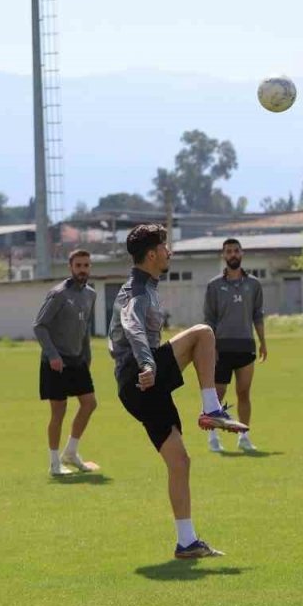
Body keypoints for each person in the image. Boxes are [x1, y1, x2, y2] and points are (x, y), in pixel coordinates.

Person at [108, 223, 248, 559]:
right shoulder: (137, 290)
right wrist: (146, 363)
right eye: (166, 247)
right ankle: (211, 408)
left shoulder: (146, 286)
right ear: (153, 254)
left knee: (180, 462)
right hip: (140, 377)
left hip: (139, 385)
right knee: (204, 333)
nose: (170, 252)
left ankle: (186, 543)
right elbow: (132, 326)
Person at [33, 249, 100, 476]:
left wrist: (87, 356)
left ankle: (70, 453)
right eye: (79, 265)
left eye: (86, 265)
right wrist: (52, 355)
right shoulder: (59, 294)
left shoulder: (91, 294)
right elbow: (39, 326)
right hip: (56, 362)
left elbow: (85, 329)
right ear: (70, 268)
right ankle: (54, 463)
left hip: (78, 360)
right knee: (58, 412)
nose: (83, 269)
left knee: (89, 403)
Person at [202, 238, 266, 453]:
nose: (233, 255)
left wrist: (263, 342)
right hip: (221, 348)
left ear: (242, 253)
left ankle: (244, 437)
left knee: (244, 394)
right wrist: (210, 347)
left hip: (246, 346)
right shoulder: (214, 286)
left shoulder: (254, 284)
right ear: (223, 256)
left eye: (236, 251)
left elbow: (258, 315)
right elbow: (209, 319)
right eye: (228, 251)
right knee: (217, 396)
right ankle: (213, 437)